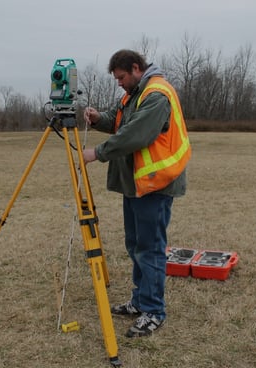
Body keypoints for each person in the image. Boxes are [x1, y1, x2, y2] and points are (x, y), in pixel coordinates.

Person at [83, 49, 191, 338]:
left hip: (155, 186)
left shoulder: (156, 95)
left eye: (120, 77)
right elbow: (121, 122)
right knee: (135, 245)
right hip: (137, 185)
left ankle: (154, 311)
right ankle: (140, 301)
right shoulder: (135, 93)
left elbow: (135, 135)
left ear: (135, 68)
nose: (118, 83)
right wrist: (97, 119)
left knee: (150, 248)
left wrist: (96, 153)